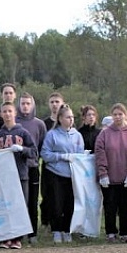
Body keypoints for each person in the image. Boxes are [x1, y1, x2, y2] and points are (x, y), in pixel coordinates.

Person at [0, 101, 38, 249]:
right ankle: (6, 237)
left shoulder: (23, 133)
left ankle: (18, 238)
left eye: (10, 111)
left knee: (19, 207)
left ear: (15, 113)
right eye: (4, 112)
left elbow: (34, 152)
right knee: (5, 207)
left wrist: (22, 149)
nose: (7, 114)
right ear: (1, 114)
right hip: (3, 177)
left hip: (21, 175)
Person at [95, 103, 127, 243]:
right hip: (109, 178)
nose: (118, 117)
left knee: (126, 207)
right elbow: (100, 153)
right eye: (115, 114)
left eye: (120, 114)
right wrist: (103, 173)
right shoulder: (104, 134)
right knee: (110, 207)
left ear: (125, 115)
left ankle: (126, 232)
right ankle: (110, 232)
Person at [41, 104, 84, 244]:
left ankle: (67, 230)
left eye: (72, 117)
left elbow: (80, 154)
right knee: (56, 204)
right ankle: (56, 230)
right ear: (60, 118)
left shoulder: (77, 135)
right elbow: (45, 154)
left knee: (70, 204)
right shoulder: (52, 134)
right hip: (55, 174)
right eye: (67, 117)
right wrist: (62, 156)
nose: (71, 119)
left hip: (72, 175)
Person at [17, 93, 47, 244]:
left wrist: (35, 159)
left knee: (33, 202)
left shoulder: (39, 124)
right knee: (19, 201)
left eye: (28, 103)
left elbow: (41, 144)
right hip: (16, 169)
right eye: (22, 103)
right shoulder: (14, 122)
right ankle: (19, 233)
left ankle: (32, 233)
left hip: (33, 167)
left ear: (33, 105)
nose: (25, 106)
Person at [40, 92, 64, 231]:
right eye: (52, 102)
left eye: (57, 101)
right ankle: (45, 221)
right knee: (46, 193)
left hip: (63, 166)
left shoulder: (67, 121)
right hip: (48, 164)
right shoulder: (44, 123)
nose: (55, 104)